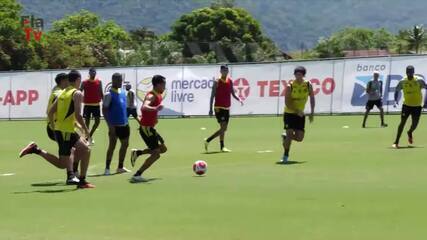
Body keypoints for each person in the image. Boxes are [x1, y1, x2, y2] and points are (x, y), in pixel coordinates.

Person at [20, 70, 95, 189]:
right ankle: (37, 150)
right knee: (62, 164)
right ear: (78, 80)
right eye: (80, 80)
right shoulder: (77, 93)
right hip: (65, 132)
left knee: (85, 150)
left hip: (65, 131)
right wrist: (86, 130)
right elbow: (78, 115)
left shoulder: (62, 93)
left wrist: (55, 127)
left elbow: (50, 112)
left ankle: (80, 179)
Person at [129, 75, 167, 183]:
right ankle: (137, 175)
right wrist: (155, 108)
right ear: (158, 84)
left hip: (151, 128)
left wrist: (155, 117)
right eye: (163, 84)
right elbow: (144, 107)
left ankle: (138, 153)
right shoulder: (151, 95)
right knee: (156, 154)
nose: (164, 87)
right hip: (146, 128)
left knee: (163, 149)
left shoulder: (158, 95)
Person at [280, 66, 315, 163]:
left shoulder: (308, 85)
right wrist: (297, 111)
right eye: (296, 74)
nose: (298, 76)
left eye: (300, 74)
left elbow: (312, 97)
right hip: (289, 113)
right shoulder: (290, 86)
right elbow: (287, 102)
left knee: (300, 138)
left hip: (300, 114)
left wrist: (312, 112)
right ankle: (285, 155)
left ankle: (285, 137)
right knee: (290, 133)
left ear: (303, 75)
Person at [204, 65, 243, 152]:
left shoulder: (230, 81)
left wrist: (239, 99)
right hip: (218, 107)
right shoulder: (217, 81)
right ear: (220, 71)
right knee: (223, 128)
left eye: (227, 70)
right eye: (224, 70)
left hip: (226, 108)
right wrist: (210, 109)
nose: (226, 72)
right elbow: (212, 96)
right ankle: (208, 140)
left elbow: (233, 93)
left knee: (224, 128)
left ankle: (222, 147)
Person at [102, 73, 131, 175]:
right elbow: (104, 111)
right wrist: (110, 126)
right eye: (118, 80)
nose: (120, 82)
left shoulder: (123, 92)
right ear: (113, 80)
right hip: (114, 126)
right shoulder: (108, 94)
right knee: (112, 146)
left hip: (125, 124)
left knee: (125, 145)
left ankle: (120, 167)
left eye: (121, 80)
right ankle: (107, 168)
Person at [392, 65, 427, 148]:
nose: (410, 74)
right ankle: (396, 142)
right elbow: (397, 90)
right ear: (406, 73)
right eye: (408, 73)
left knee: (415, 124)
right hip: (406, 105)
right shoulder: (403, 81)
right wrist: (395, 100)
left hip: (417, 106)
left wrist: (426, 102)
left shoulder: (419, 80)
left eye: (411, 73)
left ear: (413, 72)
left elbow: (426, 88)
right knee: (402, 123)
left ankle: (410, 132)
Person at [80, 67, 103, 144]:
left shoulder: (99, 81)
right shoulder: (84, 82)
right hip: (87, 105)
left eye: (94, 72)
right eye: (91, 72)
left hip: (96, 105)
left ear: (95, 73)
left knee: (97, 122)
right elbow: (79, 92)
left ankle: (89, 135)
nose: (93, 73)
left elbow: (101, 92)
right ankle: (87, 138)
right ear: (89, 73)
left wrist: (104, 103)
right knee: (87, 123)